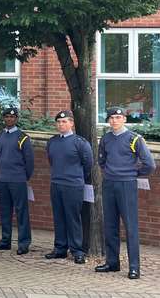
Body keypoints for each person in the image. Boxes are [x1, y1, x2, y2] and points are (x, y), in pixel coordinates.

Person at [95, 107, 156, 279]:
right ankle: (112, 263)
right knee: (110, 225)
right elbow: (102, 161)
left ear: (124, 119)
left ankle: (134, 267)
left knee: (130, 227)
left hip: (127, 185)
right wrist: (109, 173)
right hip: (109, 184)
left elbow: (150, 164)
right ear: (108, 120)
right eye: (112, 117)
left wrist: (133, 174)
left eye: (118, 117)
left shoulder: (134, 138)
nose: (114, 120)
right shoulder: (106, 139)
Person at [45, 110, 93, 264]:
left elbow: (88, 165)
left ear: (71, 123)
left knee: (73, 218)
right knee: (58, 217)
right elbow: (52, 161)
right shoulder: (52, 142)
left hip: (73, 185)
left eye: (64, 122)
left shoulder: (80, 143)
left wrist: (76, 177)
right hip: (56, 184)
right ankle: (60, 248)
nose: (61, 124)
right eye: (59, 122)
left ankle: (77, 250)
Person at [0, 107, 34, 254]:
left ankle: (24, 243)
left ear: (16, 119)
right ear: (4, 118)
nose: (9, 119)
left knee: (21, 212)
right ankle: (5, 240)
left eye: (12, 117)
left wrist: (24, 177)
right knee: (5, 211)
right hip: (3, 179)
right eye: (7, 117)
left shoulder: (23, 138)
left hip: (18, 180)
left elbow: (29, 162)